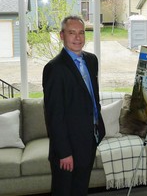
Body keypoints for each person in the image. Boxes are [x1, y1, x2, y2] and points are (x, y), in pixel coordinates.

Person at [42, 15, 105, 196]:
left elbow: (93, 97)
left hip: (89, 139)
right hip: (68, 146)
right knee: (64, 191)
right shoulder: (54, 68)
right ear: (62, 36)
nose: (77, 38)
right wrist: (64, 152)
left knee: (80, 189)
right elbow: (54, 115)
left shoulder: (91, 60)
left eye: (81, 33)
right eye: (72, 33)